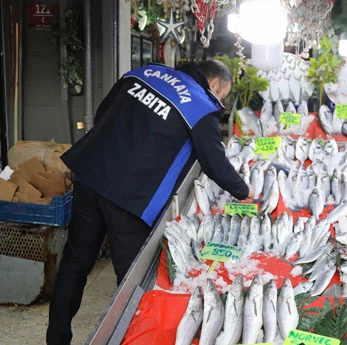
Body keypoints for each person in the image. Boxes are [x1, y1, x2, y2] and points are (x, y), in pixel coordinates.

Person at [46, 60, 253, 345]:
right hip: (131, 197)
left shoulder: (143, 74)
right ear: (214, 84)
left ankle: (56, 339)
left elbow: (103, 113)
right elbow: (214, 162)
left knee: (75, 263)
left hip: (91, 174)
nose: (219, 101)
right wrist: (245, 191)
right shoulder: (201, 104)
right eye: (222, 96)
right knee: (132, 280)